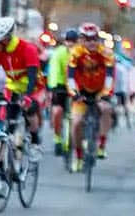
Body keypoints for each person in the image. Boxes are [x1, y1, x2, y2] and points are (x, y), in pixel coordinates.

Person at [0, 17, 43, 145]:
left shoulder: (27, 49)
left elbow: (32, 77)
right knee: (9, 118)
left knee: (29, 110)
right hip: (13, 88)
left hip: (34, 87)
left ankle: (35, 140)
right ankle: (6, 152)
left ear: (5, 40)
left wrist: (27, 96)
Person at [68, 22, 115, 162]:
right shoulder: (75, 53)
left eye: (94, 38)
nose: (92, 42)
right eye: (87, 39)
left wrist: (106, 94)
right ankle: (79, 156)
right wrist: (74, 93)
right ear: (81, 40)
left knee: (106, 109)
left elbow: (109, 76)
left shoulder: (106, 53)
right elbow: (70, 77)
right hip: (81, 90)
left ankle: (102, 145)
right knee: (76, 123)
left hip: (100, 89)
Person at [47, 29, 79, 156]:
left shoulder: (81, 53)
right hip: (60, 85)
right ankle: (57, 139)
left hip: (76, 86)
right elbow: (54, 71)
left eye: (73, 42)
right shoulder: (58, 53)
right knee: (57, 111)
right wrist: (53, 87)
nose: (70, 44)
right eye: (68, 41)